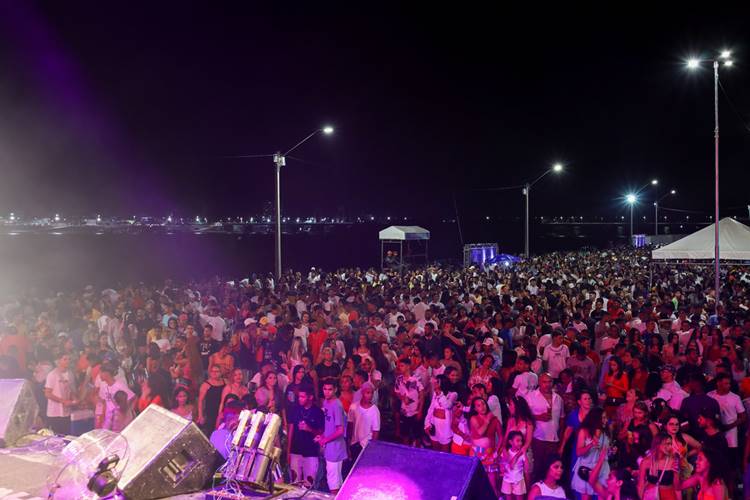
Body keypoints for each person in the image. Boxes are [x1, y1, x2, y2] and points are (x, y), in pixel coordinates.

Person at [524, 372, 563, 482]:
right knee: (537, 468)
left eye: (549, 382)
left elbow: (562, 418)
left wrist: (560, 434)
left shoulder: (558, 398)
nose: (547, 384)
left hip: (554, 440)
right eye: (544, 382)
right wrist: (538, 417)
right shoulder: (530, 397)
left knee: (551, 470)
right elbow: (525, 417)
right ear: (539, 383)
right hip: (538, 439)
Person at [287, 383, 324, 486]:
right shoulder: (295, 410)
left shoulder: (318, 412)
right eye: (299, 396)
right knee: (294, 483)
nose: (300, 399)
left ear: (310, 397)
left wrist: (309, 429)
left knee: (309, 484)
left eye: (303, 397)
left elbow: (321, 433)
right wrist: (288, 452)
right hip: (295, 451)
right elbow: (290, 431)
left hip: (311, 452)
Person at [315, 380, 347, 494]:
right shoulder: (326, 403)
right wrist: (322, 436)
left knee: (333, 481)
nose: (327, 392)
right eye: (325, 389)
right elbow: (329, 425)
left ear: (335, 390)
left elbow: (340, 430)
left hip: (335, 449)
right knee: (335, 480)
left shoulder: (336, 405)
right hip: (330, 447)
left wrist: (325, 440)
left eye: (330, 389)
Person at [571, 407, 610, 499]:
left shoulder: (606, 432)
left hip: (602, 467)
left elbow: (605, 451)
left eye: (606, 417)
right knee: (586, 496)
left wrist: (611, 451)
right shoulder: (584, 431)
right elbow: (579, 452)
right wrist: (591, 444)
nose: (606, 420)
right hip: (586, 468)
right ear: (596, 418)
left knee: (602, 496)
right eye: (603, 418)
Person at [468, 396, 501, 496]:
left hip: (490, 454)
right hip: (476, 454)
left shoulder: (495, 420)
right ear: (475, 409)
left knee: (492, 484)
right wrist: (487, 420)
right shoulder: (473, 419)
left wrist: (496, 453)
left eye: (483, 404)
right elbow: (480, 432)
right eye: (478, 405)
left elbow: (501, 438)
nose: (482, 407)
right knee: (476, 482)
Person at [394, 358, 425, 447]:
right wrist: (402, 398)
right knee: (405, 434)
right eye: (399, 366)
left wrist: (420, 411)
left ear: (408, 367)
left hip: (415, 411)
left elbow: (422, 395)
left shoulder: (416, 379)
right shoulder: (398, 379)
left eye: (402, 366)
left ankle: (418, 451)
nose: (400, 368)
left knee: (417, 434)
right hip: (404, 411)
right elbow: (396, 392)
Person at [637, 432, 678, 500]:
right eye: (667, 444)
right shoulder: (646, 462)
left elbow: (677, 487)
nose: (670, 447)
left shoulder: (673, 461)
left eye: (671, 444)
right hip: (651, 495)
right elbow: (640, 485)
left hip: (668, 495)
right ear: (658, 444)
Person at [44, 352, 76, 435]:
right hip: (55, 412)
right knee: (56, 436)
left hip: (67, 411)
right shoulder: (52, 375)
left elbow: (71, 390)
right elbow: (47, 393)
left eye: (69, 359)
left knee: (67, 435)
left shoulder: (70, 374)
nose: (68, 361)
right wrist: (62, 401)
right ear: (59, 361)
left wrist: (74, 399)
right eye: (65, 359)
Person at [347, 382, 380, 460]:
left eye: (371, 393)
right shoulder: (353, 407)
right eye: (368, 393)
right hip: (354, 443)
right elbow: (350, 426)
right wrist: (348, 444)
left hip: (366, 445)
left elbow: (376, 431)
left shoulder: (375, 411)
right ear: (362, 393)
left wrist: (372, 447)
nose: (370, 396)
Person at [424, 374, 456, 452]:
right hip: (434, 427)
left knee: (444, 453)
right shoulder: (435, 394)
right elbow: (431, 409)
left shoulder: (453, 394)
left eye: (437, 382)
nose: (434, 384)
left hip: (445, 430)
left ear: (443, 383)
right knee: (435, 451)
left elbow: (447, 405)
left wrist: (440, 394)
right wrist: (427, 424)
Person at [98, 363, 134, 431]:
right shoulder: (104, 387)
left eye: (101, 372)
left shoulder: (119, 385)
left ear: (106, 373)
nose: (99, 375)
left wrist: (123, 412)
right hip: (109, 421)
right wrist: (103, 416)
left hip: (121, 423)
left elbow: (132, 397)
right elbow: (105, 403)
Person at [499, 430, 530, 500]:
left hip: (518, 480)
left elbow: (527, 468)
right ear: (510, 442)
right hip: (507, 479)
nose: (520, 443)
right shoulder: (506, 452)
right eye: (518, 441)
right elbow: (503, 465)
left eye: (521, 441)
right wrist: (502, 468)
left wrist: (524, 454)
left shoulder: (522, 454)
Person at [198, 364, 225, 434]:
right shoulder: (205, 385)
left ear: (221, 373)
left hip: (222, 411)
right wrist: (200, 415)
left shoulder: (225, 382)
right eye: (212, 371)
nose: (214, 373)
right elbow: (200, 401)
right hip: (210, 412)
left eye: (217, 371)